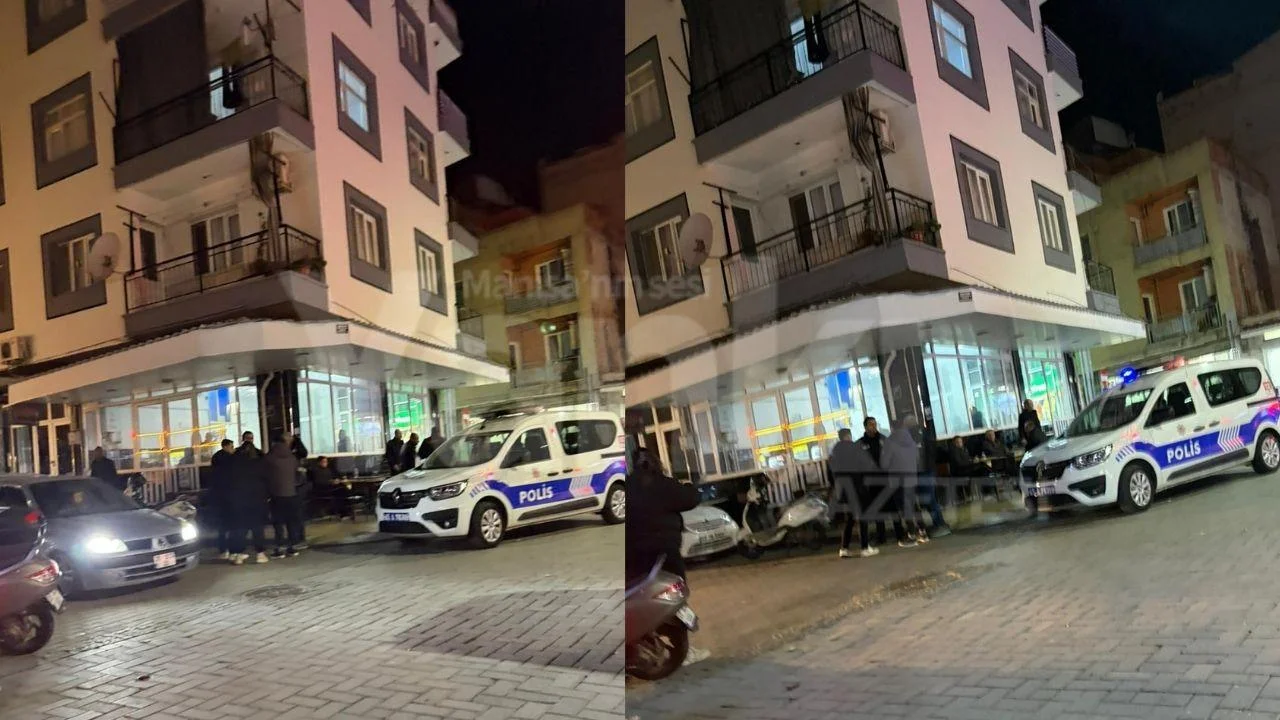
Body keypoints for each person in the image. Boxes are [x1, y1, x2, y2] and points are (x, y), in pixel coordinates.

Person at [624, 438, 701, 583]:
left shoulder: (627, 487)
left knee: (638, 589)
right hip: (665, 551)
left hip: (634, 554)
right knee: (676, 587)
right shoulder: (664, 484)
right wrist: (691, 486)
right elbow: (691, 498)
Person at [828, 428, 880, 558]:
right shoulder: (855, 448)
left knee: (850, 519)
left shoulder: (834, 452)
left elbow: (830, 474)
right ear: (849, 436)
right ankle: (864, 547)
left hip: (843, 491)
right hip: (857, 488)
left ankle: (844, 549)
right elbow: (867, 465)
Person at [880, 415, 925, 548]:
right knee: (914, 505)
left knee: (904, 508)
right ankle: (923, 532)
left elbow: (884, 463)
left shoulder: (889, 441)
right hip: (911, 478)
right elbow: (917, 458)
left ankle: (912, 535)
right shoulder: (910, 440)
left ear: (892, 428)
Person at [229, 435, 270, 565]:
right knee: (257, 527)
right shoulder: (259, 460)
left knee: (240, 527)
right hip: (257, 498)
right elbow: (266, 478)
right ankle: (260, 553)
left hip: (240, 498)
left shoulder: (235, 460)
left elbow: (230, 479)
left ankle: (239, 554)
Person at [265, 433, 304, 558]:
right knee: (291, 521)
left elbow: (264, 475)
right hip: (291, 493)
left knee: (278, 522)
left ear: (274, 443)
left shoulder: (269, 458)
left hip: (276, 494)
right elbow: (299, 474)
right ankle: (292, 547)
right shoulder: (292, 458)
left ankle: (279, 548)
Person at [209, 439, 236, 561]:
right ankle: (231, 549)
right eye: (231, 446)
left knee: (222, 526)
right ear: (226, 446)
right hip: (229, 496)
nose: (233, 449)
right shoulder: (230, 460)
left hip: (219, 496)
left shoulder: (216, 458)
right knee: (231, 524)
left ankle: (223, 550)